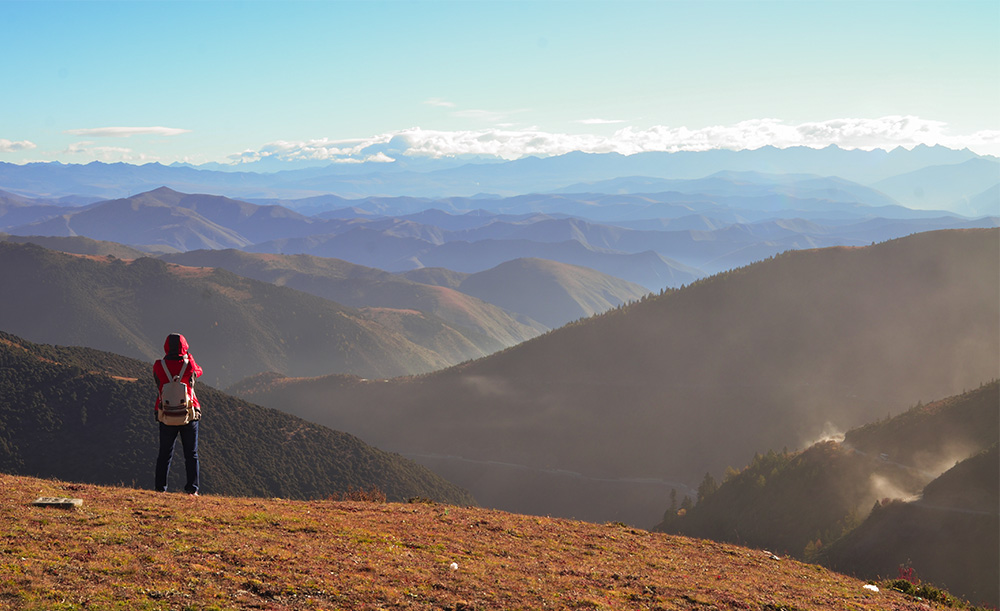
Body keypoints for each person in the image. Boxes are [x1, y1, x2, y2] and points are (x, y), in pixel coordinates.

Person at [153, 332, 203, 495]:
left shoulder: (159, 365)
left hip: (166, 413)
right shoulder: (189, 365)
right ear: (184, 345)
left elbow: (158, 383)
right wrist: (189, 357)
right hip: (189, 413)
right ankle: (192, 489)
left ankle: (160, 489)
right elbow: (198, 372)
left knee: (164, 453)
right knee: (191, 453)